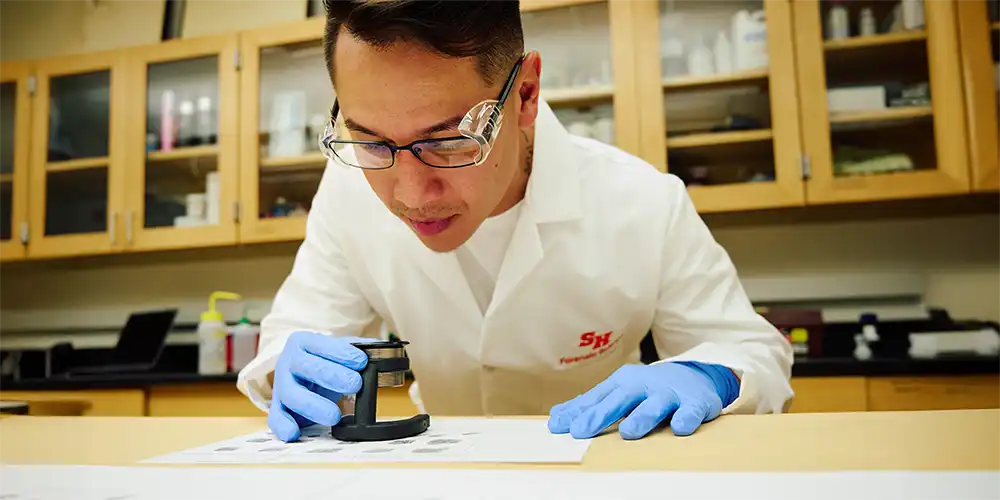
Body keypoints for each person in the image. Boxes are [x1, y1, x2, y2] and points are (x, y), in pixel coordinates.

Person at [237, 0, 794, 443]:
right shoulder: (347, 190)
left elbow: (750, 351)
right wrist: (290, 366)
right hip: (438, 471)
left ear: (524, 94)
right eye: (369, 138)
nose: (410, 193)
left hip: (601, 469)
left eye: (449, 140)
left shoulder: (644, 202)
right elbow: (295, 333)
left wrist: (710, 375)